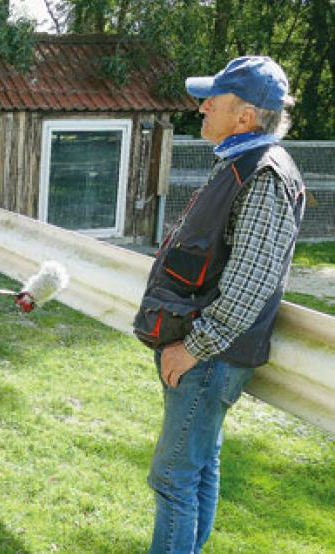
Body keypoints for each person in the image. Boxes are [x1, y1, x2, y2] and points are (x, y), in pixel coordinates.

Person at [132, 56, 305, 552]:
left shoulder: (264, 174)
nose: (203, 106)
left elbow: (250, 284)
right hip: (207, 352)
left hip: (208, 356)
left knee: (172, 478)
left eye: (214, 99)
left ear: (245, 115)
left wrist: (194, 347)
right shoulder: (241, 162)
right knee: (199, 467)